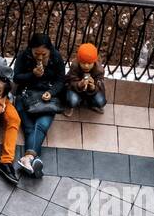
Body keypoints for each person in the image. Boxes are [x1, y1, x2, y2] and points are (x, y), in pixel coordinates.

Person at [12, 32, 67, 170]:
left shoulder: (56, 58)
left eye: (44, 54)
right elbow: (16, 78)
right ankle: (31, 159)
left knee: (41, 125)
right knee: (29, 128)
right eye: (37, 54)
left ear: (50, 50)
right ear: (31, 49)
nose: (40, 57)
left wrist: (51, 92)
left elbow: (61, 81)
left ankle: (27, 158)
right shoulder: (24, 56)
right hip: (25, 96)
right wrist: (33, 75)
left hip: (46, 98)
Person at [64, 43, 107, 114]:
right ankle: (80, 100)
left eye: (89, 63)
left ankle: (89, 102)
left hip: (92, 93)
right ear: (79, 60)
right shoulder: (75, 66)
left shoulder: (99, 70)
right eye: (83, 63)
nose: (86, 66)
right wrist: (79, 84)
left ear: (94, 61)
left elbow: (100, 87)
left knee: (101, 102)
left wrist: (93, 87)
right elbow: (70, 81)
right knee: (72, 101)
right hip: (76, 91)